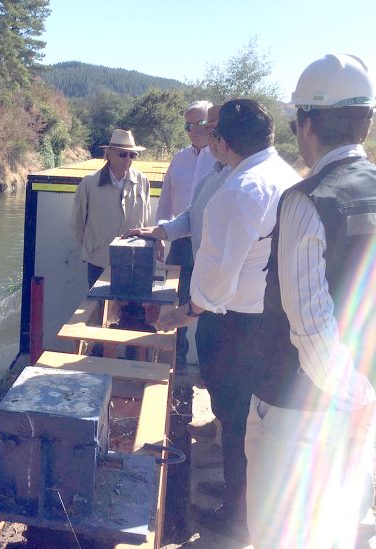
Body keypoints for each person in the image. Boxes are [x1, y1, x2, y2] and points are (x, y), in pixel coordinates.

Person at [246, 54, 376, 547]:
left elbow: (311, 329)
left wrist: (355, 399)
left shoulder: (307, 201)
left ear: (307, 124)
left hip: (299, 414)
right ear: (365, 122)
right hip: (358, 405)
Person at [156, 99, 300, 538]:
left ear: (222, 140)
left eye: (212, 132)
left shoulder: (239, 190)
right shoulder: (285, 176)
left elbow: (219, 277)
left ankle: (238, 514)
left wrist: (185, 313)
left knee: (234, 414)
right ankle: (244, 491)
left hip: (235, 322)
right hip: (273, 317)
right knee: (250, 416)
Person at [156, 101, 215, 371]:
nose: (191, 130)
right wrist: (159, 235)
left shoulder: (224, 160)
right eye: (187, 125)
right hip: (179, 244)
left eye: (197, 123)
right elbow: (165, 201)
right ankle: (175, 363)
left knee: (211, 307)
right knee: (174, 303)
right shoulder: (178, 158)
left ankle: (209, 368)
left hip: (211, 244)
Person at [71, 129, 151, 288]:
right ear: (109, 154)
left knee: (130, 309)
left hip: (134, 260)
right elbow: (77, 223)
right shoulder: (89, 183)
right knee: (98, 308)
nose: (128, 159)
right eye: (123, 154)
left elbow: (146, 220)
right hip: (99, 261)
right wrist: (92, 249)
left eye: (132, 155)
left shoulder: (142, 181)